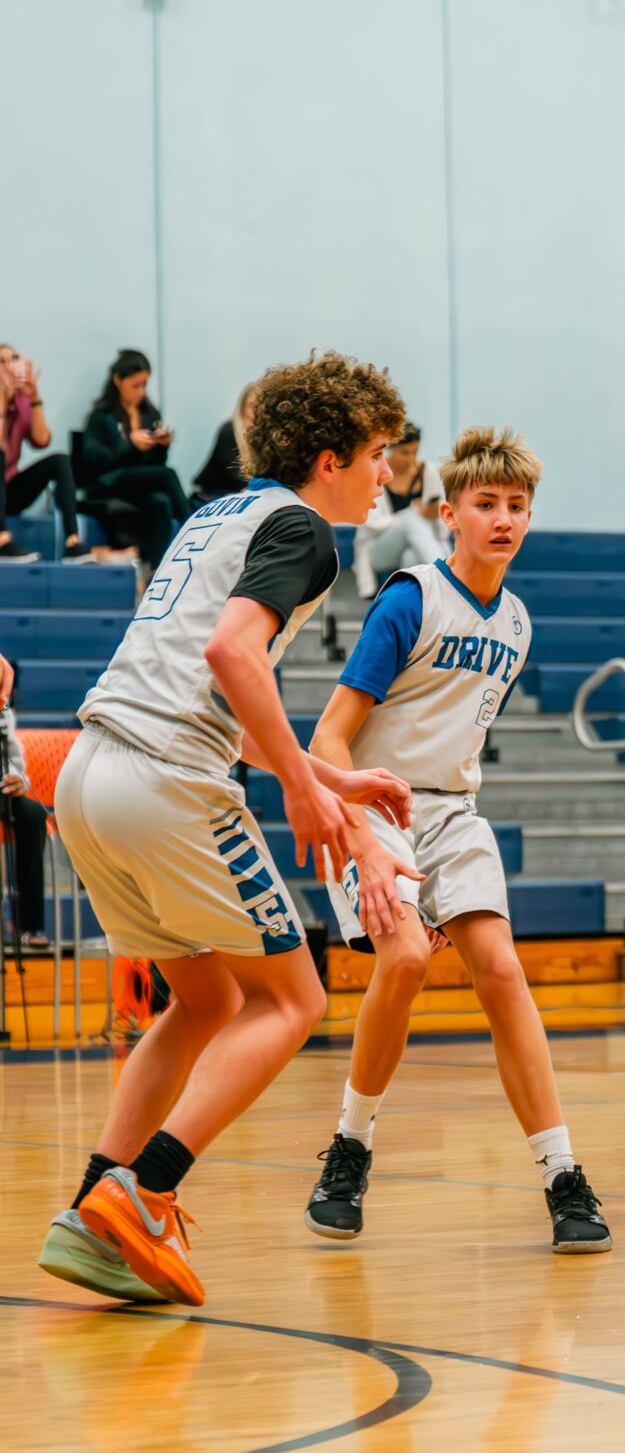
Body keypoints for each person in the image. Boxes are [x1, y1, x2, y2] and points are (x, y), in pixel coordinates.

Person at [35, 351, 418, 1311]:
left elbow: (217, 683)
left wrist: (327, 775)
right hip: (168, 781)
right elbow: (230, 654)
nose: (387, 471)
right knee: (294, 999)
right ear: (330, 460)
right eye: (378, 453)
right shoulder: (305, 532)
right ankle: (147, 1191)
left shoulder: (217, 515)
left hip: (90, 776)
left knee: (203, 1000)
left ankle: (89, 1210)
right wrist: (301, 791)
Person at [305, 425, 608, 1254]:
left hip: (452, 811)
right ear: (450, 515)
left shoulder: (517, 624)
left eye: (516, 506)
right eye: (486, 504)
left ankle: (563, 1174)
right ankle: (350, 1147)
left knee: (502, 970)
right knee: (405, 959)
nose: (503, 519)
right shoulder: (410, 599)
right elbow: (328, 737)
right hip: (372, 803)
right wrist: (363, 837)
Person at [83, 349, 191, 570]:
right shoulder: (102, 416)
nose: (141, 392)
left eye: (144, 385)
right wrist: (130, 447)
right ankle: (194, 528)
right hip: (109, 481)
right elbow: (95, 461)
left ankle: (152, 569)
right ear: (118, 380)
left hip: (139, 485)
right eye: (135, 385)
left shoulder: (149, 413)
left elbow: (155, 465)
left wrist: (161, 445)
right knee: (168, 475)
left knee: (161, 500)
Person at [0, 343, 92, 559]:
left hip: (8, 493)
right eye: (1, 362)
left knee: (60, 461)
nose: (8, 367)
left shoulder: (20, 400)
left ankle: (72, 543)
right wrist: (2, 403)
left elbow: (42, 441)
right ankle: (2, 541)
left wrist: (34, 398)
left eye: (12, 360)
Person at [353, 422, 447, 598]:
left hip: (419, 547)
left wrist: (433, 514)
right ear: (390, 449)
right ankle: (446, 579)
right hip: (381, 551)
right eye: (404, 452)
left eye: (415, 452)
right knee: (411, 521)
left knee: (410, 558)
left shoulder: (428, 472)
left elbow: (442, 526)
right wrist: (415, 513)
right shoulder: (375, 472)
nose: (410, 459)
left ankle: (416, 610)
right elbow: (373, 524)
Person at [0, 653, 50, 951]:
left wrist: (18, 779)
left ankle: (28, 927)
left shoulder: (3, 706)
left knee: (32, 814)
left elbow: (13, 755)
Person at [192, 384, 258, 505]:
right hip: (216, 491)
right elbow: (232, 470)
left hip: (241, 490)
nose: (256, 410)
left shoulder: (262, 433)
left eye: (260, 406)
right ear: (242, 407)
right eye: (251, 405)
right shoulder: (229, 429)